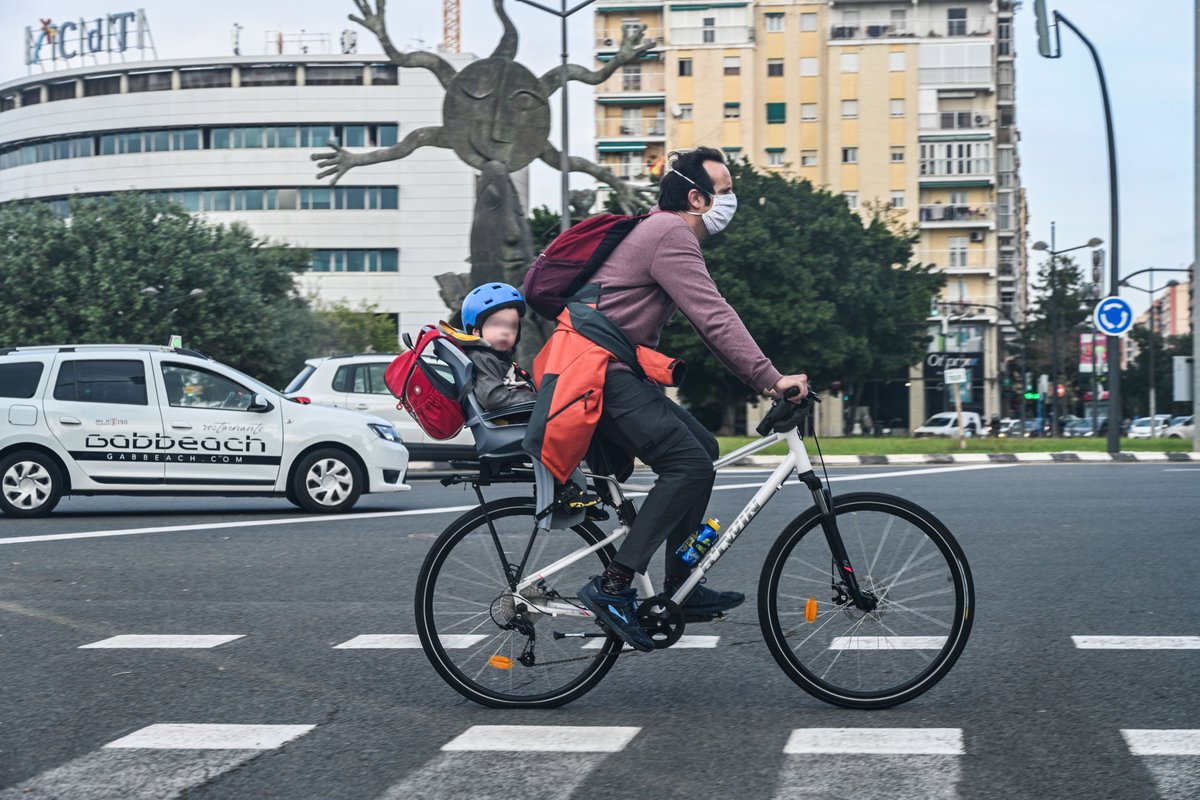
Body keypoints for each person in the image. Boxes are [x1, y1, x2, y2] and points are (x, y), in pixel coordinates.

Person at [576, 147, 809, 652]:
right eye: (725, 191)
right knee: (690, 466)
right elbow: (714, 318)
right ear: (696, 197)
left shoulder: (663, 232)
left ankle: (684, 582)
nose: (732, 200)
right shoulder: (671, 233)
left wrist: (761, 379)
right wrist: (771, 379)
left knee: (701, 451)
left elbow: (707, 324)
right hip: (600, 375)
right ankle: (612, 586)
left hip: (613, 374)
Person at [458, 282, 536, 412]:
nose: (506, 331)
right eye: (497, 324)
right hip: (512, 426)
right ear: (476, 331)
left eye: (512, 326)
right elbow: (493, 398)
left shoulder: (498, 357)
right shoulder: (482, 358)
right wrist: (538, 399)